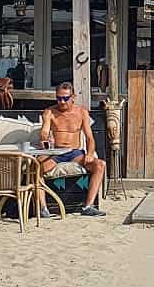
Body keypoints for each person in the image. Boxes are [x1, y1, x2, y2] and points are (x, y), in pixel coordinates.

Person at [38, 82, 108, 217]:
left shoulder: (81, 112)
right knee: (36, 168)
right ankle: (43, 208)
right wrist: (45, 138)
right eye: (58, 98)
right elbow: (44, 132)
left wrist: (90, 153)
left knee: (100, 165)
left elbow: (89, 138)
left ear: (73, 97)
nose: (62, 102)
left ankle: (88, 206)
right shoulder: (49, 112)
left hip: (74, 152)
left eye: (65, 98)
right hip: (56, 152)